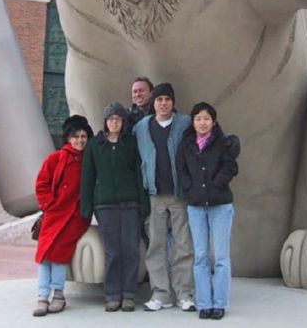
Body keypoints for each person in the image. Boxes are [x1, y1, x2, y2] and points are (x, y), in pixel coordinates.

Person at [81, 102, 150, 313]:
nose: (114, 122)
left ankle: (129, 294)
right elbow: (88, 177)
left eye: (118, 119)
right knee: (112, 251)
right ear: (105, 121)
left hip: (130, 204)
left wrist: (143, 202)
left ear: (123, 122)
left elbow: (139, 174)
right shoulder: (94, 145)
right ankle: (112, 294)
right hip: (105, 204)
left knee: (130, 249)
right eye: (111, 119)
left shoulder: (131, 143)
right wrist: (86, 207)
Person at [134, 83, 195, 312]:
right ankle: (161, 293)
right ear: (153, 102)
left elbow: (206, 134)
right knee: (156, 246)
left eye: (167, 99)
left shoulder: (185, 123)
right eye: (159, 99)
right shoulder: (141, 127)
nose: (163, 103)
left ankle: (184, 293)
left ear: (173, 102)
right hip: (154, 194)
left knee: (183, 245)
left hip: (179, 194)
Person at [176, 102, 240, 320]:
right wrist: (189, 187)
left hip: (220, 205)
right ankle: (204, 303)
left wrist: (217, 183)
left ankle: (219, 303)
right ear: (192, 122)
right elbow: (181, 169)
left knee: (221, 256)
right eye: (198, 118)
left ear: (213, 121)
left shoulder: (223, 142)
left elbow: (231, 166)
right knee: (201, 256)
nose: (202, 123)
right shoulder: (186, 144)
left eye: (206, 118)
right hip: (196, 207)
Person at [33, 115, 93, 317]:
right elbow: (42, 183)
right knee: (44, 255)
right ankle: (42, 295)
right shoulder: (56, 158)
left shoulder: (89, 161)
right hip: (54, 213)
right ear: (68, 138)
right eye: (75, 136)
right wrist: (49, 204)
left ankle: (58, 293)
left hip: (75, 217)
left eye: (83, 136)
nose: (80, 140)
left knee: (59, 254)